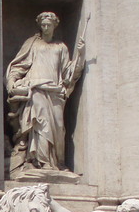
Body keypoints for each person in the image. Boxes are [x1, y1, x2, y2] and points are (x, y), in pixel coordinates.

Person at [5, 11, 85, 172]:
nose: (46, 27)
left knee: (58, 128)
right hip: (36, 90)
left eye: (49, 24)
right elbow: (19, 65)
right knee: (41, 125)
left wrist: (81, 54)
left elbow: (69, 73)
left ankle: (55, 162)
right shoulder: (32, 43)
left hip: (55, 92)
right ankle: (41, 163)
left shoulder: (61, 47)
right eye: (43, 25)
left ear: (55, 25)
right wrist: (12, 81)